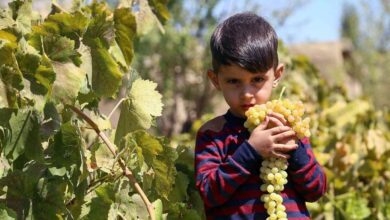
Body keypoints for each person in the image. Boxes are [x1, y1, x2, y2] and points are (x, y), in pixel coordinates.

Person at [194, 12, 327, 219]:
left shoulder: (289, 126)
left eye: (257, 79)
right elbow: (208, 194)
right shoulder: (212, 133)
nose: (247, 93)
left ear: (277, 76)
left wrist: (294, 148)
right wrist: (251, 151)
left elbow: (316, 190)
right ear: (215, 80)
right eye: (233, 81)